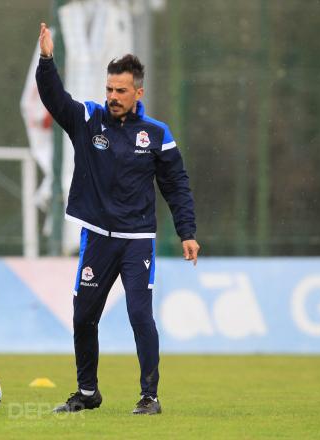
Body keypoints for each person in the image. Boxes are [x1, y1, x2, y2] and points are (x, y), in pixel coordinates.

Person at [36, 23, 200, 415]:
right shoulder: (89, 119)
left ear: (138, 92)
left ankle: (149, 396)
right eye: (109, 89)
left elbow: (176, 185)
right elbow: (54, 98)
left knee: (140, 314)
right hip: (97, 237)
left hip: (137, 240)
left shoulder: (156, 134)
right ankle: (87, 392)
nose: (112, 96)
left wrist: (187, 232)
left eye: (120, 90)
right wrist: (46, 60)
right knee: (83, 316)